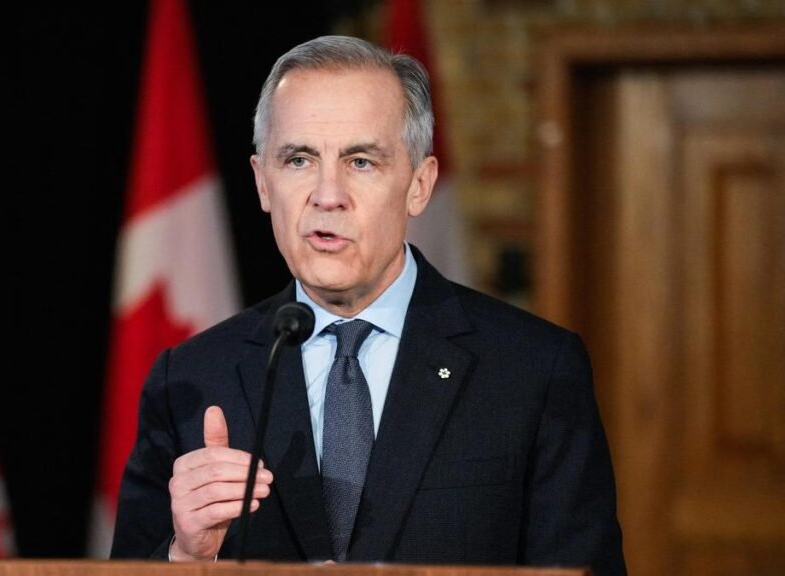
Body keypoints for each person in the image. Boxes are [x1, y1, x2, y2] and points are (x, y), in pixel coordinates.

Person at [110, 35, 626, 574]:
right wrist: (185, 555)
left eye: (360, 161)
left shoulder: (532, 370)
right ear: (263, 183)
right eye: (299, 159)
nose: (327, 194)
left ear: (419, 185)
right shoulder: (191, 379)